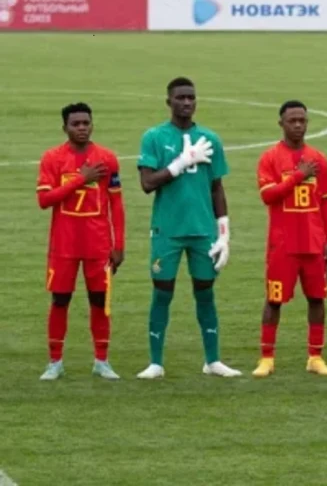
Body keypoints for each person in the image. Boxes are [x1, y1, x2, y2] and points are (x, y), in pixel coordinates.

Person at [135, 77, 240, 380]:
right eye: (180, 97)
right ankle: (156, 362)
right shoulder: (154, 137)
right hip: (167, 230)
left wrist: (224, 232)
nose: (186, 102)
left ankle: (213, 360)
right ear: (169, 101)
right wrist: (180, 163)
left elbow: (217, 188)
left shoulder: (210, 139)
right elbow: (146, 183)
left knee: (205, 293)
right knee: (162, 292)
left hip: (202, 231)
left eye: (191, 97)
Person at [36, 103, 125, 381]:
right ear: (65, 127)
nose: (82, 128)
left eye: (86, 123)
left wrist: (118, 244)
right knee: (60, 300)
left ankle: (101, 361)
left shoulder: (107, 159)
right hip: (64, 246)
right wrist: (80, 179)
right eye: (76, 124)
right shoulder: (52, 158)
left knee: (100, 301)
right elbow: (44, 200)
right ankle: (55, 362)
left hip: (97, 246)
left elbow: (117, 204)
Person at [252, 101, 327, 378]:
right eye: (292, 121)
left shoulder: (319, 159)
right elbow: (268, 195)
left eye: (302, 120)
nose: (298, 125)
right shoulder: (270, 158)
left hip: (312, 243)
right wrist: (299, 176)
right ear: (282, 124)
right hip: (283, 244)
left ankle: (315, 357)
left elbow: (325, 203)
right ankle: (266, 358)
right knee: (274, 300)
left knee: (316, 299)